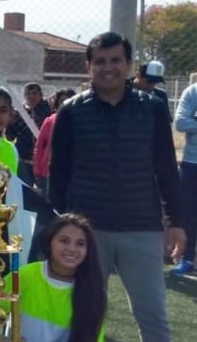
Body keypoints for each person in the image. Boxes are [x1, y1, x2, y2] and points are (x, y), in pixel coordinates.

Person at [49, 32, 186, 342]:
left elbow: (166, 169)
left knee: (152, 317)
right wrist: (57, 223)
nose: (108, 67)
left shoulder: (152, 108)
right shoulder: (71, 111)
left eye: (115, 60)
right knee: (82, 316)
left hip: (142, 227)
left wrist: (176, 222)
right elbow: (58, 173)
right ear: (88, 66)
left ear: (129, 65)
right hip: (86, 231)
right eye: (100, 61)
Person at [0, 213, 106, 342]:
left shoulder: (94, 292)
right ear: (49, 242)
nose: (72, 248)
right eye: (64, 240)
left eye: (80, 244)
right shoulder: (25, 276)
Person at [5, 82, 51, 187]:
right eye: (28, 93)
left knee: (46, 193)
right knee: (25, 190)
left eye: (34, 93)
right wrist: (9, 123)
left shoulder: (48, 112)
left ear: (40, 95)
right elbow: (10, 137)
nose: (31, 96)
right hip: (24, 159)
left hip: (43, 161)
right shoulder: (18, 114)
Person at [32, 88, 76, 198]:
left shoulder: (80, 122)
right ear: (57, 103)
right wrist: (37, 171)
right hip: (49, 173)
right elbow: (39, 147)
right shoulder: (49, 121)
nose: (65, 103)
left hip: (72, 174)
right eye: (62, 100)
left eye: (69, 100)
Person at [173, 81, 197, 275]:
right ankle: (187, 259)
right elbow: (180, 122)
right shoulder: (193, 91)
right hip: (192, 163)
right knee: (188, 214)